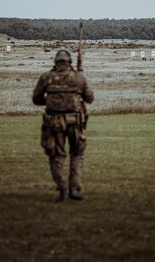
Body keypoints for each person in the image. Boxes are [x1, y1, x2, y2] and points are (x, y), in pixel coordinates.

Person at [32, 49, 94, 202]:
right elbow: (90, 98)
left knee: (56, 156)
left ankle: (63, 189)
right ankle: (75, 188)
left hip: (53, 123)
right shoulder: (79, 78)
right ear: (69, 62)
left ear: (55, 62)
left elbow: (36, 99)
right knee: (77, 154)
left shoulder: (46, 77)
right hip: (75, 122)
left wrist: (52, 102)